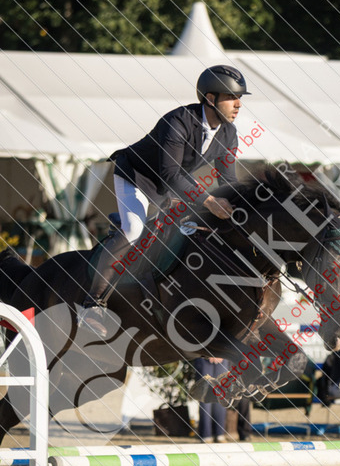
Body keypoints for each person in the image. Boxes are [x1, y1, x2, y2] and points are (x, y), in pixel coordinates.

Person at [77, 65, 251, 337]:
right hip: (136, 176)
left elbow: (227, 180)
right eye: (231, 97)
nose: (238, 104)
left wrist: (245, 207)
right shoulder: (178, 121)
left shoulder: (229, 133)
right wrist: (207, 201)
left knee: (190, 234)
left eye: (239, 97)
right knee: (134, 230)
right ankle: (92, 305)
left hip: (168, 188)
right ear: (210, 98)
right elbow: (170, 174)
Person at [193, 357, 228, 443]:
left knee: (221, 395)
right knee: (205, 394)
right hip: (203, 355)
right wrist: (208, 353)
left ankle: (219, 433)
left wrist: (221, 354)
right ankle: (206, 435)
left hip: (223, 355)